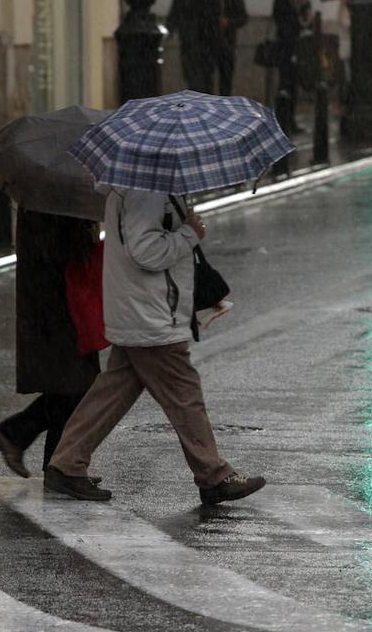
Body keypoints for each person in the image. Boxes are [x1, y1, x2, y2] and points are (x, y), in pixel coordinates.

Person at [43, 189, 265, 506]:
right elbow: (145, 251)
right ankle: (213, 474)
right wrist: (189, 233)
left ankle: (67, 462)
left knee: (114, 389)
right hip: (150, 313)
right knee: (184, 391)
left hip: (143, 308)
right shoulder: (145, 193)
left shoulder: (143, 188)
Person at [0, 210, 101, 478]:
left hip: (61, 299)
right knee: (76, 385)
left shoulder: (55, 196)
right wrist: (86, 230)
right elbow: (58, 250)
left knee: (71, 386)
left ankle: (48, 456)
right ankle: (53, 461)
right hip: (57, 303)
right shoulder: (52, 202)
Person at [167, 0, 249, 96]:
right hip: (199, 46)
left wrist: (228, 22)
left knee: (224, 84)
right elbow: (179, 13)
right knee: (200, 83)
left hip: (224, 44)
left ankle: (222, 105)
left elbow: (242, 17)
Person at [273, 0, 314, 134]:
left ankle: (292, 120)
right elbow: (283, 25)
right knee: (285, 85)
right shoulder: (281, 0)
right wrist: (297, 18)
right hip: (285, 49)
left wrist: (306, 18)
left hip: (300, 49)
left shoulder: (305, 3)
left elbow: (308, 28)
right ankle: (282, 120)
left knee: (294, 86)